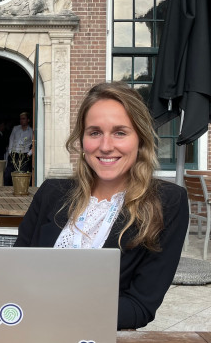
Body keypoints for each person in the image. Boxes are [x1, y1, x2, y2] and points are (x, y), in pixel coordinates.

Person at [14, 82, 188, 330]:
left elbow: (140, 306)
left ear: (140, 138)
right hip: (29, 332)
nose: (105, 146)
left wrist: (56, 312)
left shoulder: (167, 202)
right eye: (94, 132)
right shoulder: (51, 192)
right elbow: (15, 272)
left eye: (120, 132)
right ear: (82, 139)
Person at [4, 111, 33, 185]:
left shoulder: (31, 131)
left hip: (24, 154)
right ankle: (6, 189)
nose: (21, 120)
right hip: (13, 154)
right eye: (20, 119)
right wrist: (10, 151)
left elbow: (35, 144)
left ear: (28, 120)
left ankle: (21, 189)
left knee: (22, 174)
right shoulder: (15, 128)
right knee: (8, 174)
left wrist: (29, 154)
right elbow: (11, 139)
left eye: (23, 119)